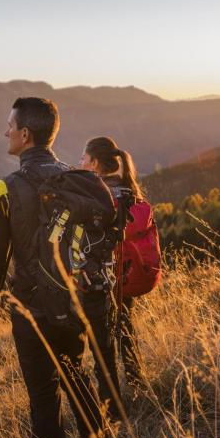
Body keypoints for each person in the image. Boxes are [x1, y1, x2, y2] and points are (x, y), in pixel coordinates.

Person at [0, 97, 105, 438]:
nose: (5, 131)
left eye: (9, 125)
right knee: (77, 376)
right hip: (74, 300)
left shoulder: (4, 189)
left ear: (25, 134)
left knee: (44, 396)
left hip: (31, 310)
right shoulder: (76, 178)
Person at [80, 136, 155, 420]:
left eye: (84, 159)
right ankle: (136, 382)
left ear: (96, 163)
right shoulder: (131, 192)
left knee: (102, 342)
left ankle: (112, 409)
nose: (80, 164)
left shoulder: (97, 194)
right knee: (125, 329)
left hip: (101, 279)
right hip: (126, 276)